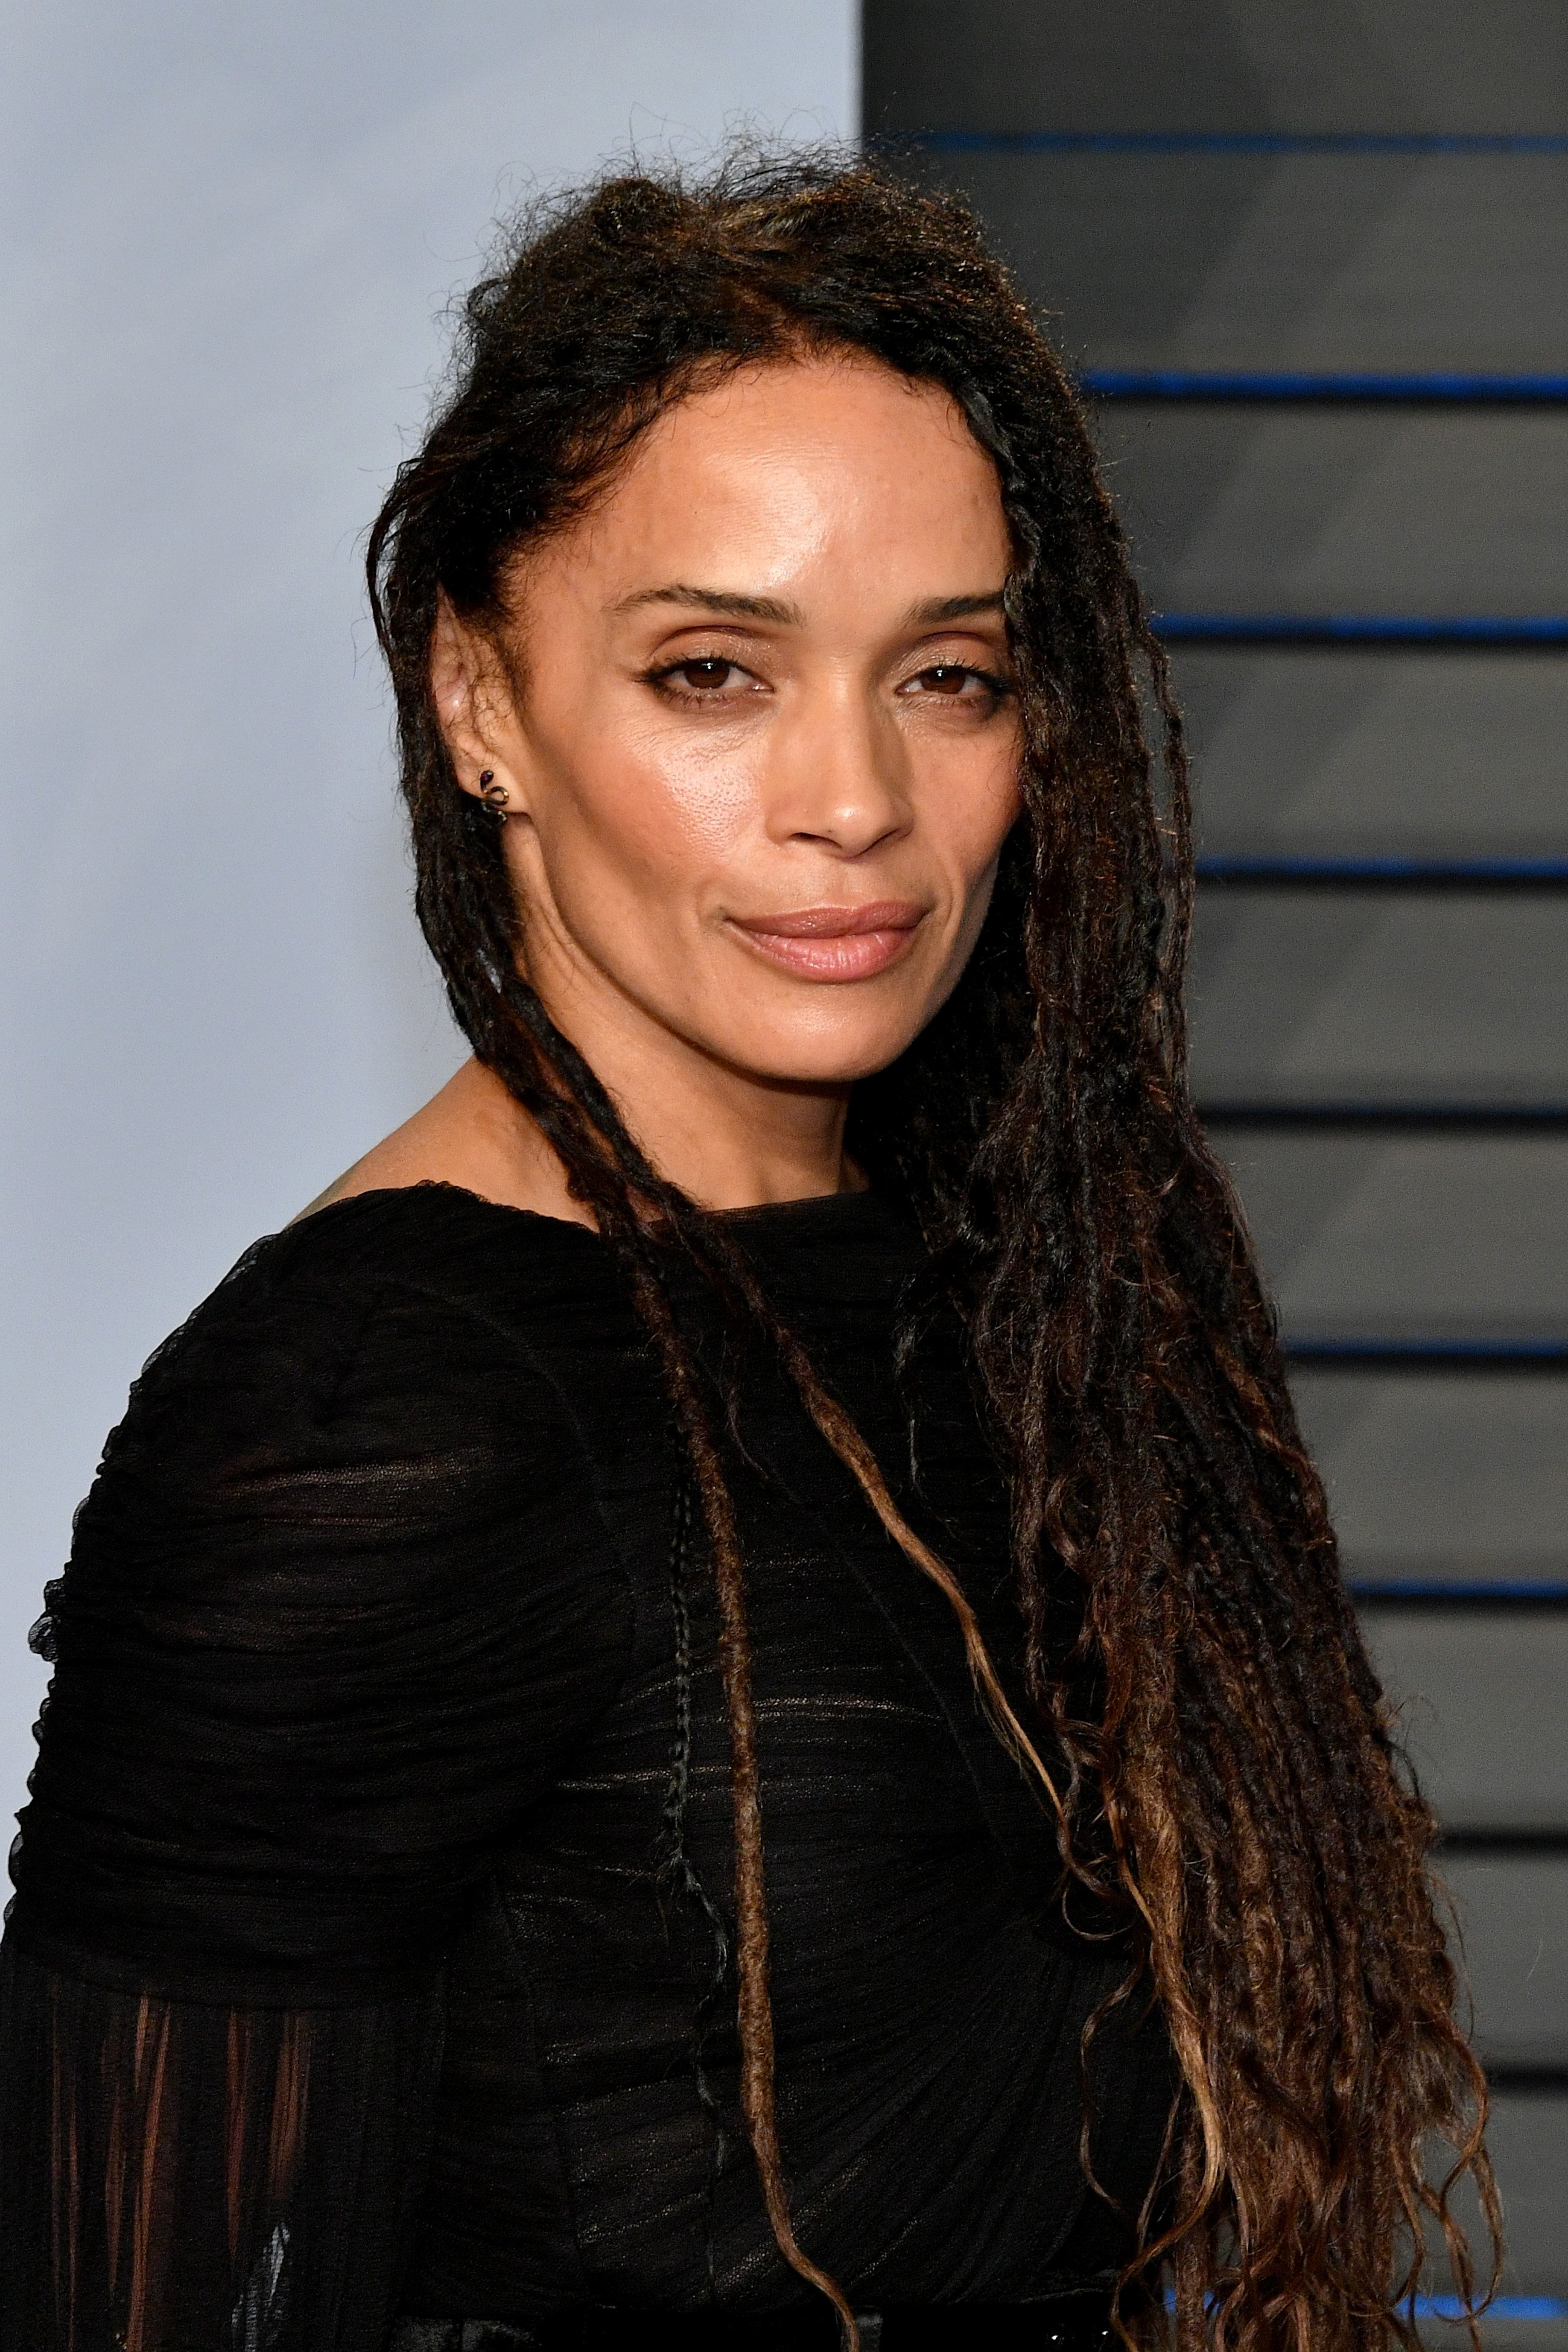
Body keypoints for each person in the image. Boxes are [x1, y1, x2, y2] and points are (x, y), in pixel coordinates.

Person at [0, 153, 1494, 2352]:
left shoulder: (1014, 1286)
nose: (855, 799)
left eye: (950, 677)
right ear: (482, 701)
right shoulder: (372, 1414)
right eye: (716, 670)